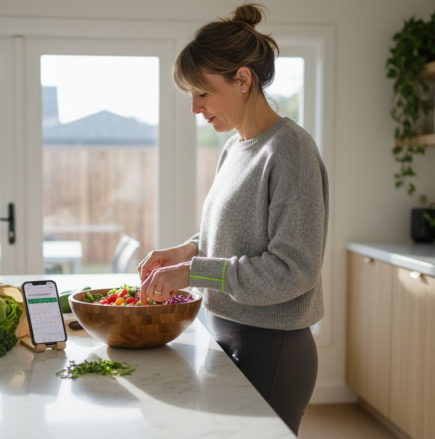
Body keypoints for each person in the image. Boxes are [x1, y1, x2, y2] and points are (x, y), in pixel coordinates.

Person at [137, 3, 329, 435]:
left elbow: (293, 270)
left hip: (271, 348)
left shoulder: (290, 150)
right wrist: (187, 249)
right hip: (225, 333)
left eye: (202, 93)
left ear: (243, 79)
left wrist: (193, 271)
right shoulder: (236, 148)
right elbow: (232, 236)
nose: (194, 108)